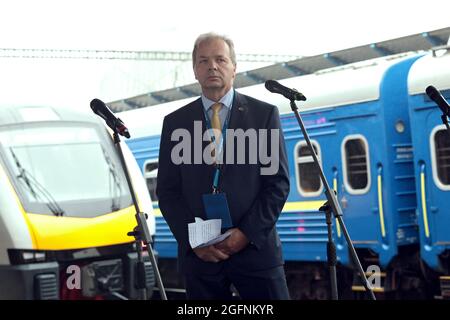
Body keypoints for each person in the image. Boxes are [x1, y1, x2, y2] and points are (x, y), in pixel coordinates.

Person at [156, 32, 290, 300]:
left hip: (255, 253)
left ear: (234, 68)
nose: (212, 67)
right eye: (203, 61)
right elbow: (168, 192)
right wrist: (194, 242)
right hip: (201, 259)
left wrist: (245, 234)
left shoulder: (263, 115)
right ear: (195, 71)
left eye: (220, 59)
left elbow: (277, 183)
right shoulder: (175, 123)